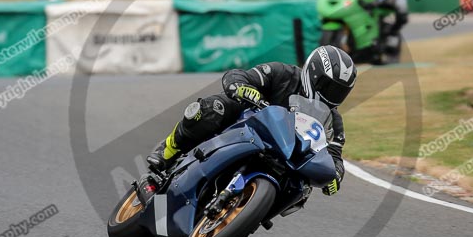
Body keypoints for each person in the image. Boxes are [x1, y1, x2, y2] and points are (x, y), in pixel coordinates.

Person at [145, 45, 356, 198]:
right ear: (313, 74)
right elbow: (239, 76)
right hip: (248, 126)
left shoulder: (333, 120)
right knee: (212, 109)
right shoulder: (282, 73)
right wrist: (242, 88)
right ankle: (168, 150)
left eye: (340, 92)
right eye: (330, 88)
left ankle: (243, 213)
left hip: (286, 158)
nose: (333, 96)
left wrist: (335, 176)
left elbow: (335, 157)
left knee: (301, 187)